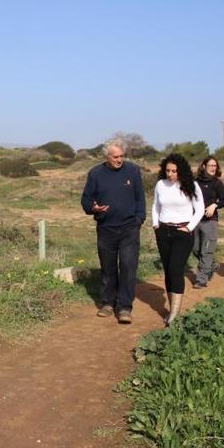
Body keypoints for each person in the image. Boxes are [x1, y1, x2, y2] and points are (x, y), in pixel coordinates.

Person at [80, 138, 146, 324]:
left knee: (127, 266)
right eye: (115, 157)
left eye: (122, 156)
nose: (119, 160)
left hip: (129, 228)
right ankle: (108, 303)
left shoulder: (132, 171)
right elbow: (85, 201)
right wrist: (94, 209)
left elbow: (140, 197)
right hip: (106, 228)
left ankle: (125, 307)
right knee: (108, 268)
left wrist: (139, 218)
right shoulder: (95, 174)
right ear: (107, 156)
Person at [152, 153, 204, 326]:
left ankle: (174, 313)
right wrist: (155, 224)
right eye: (167, 170)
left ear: (181, 171)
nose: (170, 174)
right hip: (163, 232)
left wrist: (189, 227)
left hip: (183, 233)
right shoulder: (160, 185)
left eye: (174, 171)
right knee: (168, 270)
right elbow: (156, 206)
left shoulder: (192, 186)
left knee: (176, 269)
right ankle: (172, 310)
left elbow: (200, 209)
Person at [192, 156, 224, 288]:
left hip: (210, 221)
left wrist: (214, 205)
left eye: (215, 166)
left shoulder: (217, 183)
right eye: (210, 165)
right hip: (195, 220)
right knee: (195, 249)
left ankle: (201, 280)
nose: (213, 168)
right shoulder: (195, 182)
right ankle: (212, 265)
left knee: (206, 250)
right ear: (204, 166)